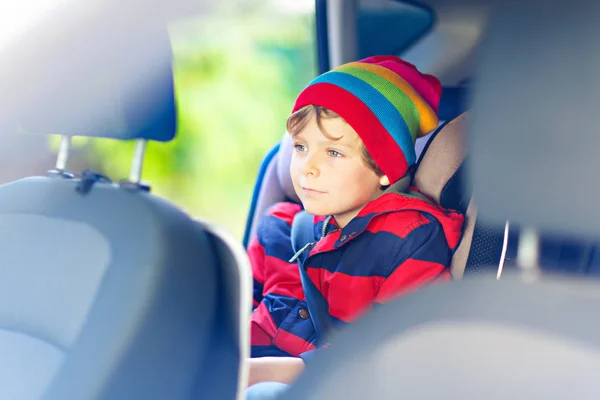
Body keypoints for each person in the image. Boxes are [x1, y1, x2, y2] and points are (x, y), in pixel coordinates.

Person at [246, 56, 465, 394]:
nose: (308, 167)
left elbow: (389, 357)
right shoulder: (279, 228)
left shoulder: (410, 240)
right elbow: (232, 314)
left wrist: (252, 374)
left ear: (384, 170)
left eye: (334, 153)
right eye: (301, 147)